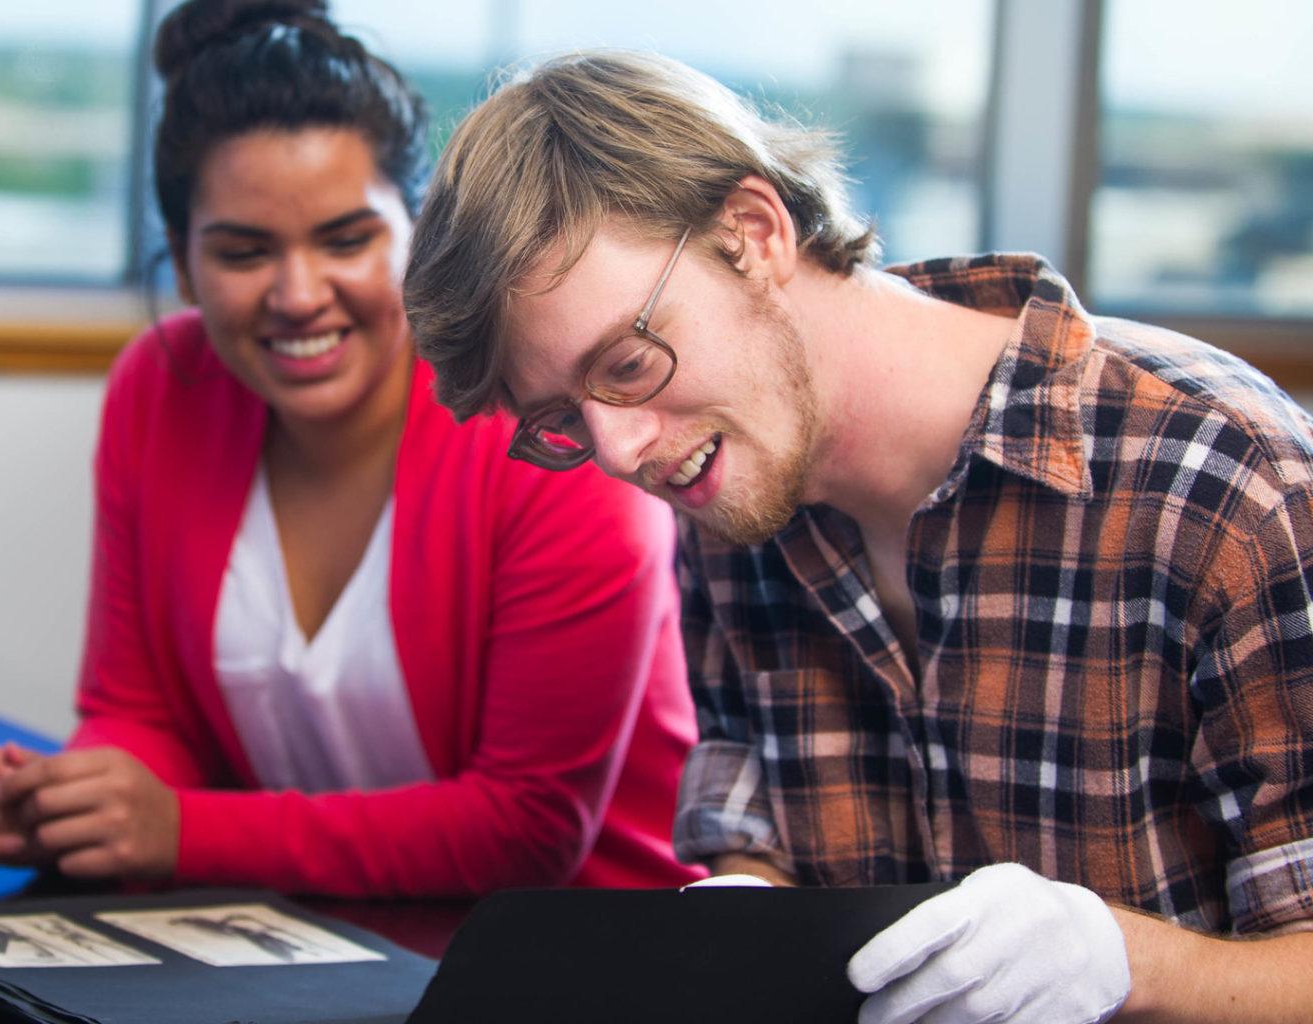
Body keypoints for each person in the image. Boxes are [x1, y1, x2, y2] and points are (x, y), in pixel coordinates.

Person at [403, 50, 1313, 1024]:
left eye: (626, 361)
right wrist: (740, 918)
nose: (620, 451)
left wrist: (1126, 965)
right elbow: (765, 845)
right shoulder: (724, 476)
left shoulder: (1223, 481)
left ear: (753, 232)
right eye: (563, 423)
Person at [0, 0, 700, 899]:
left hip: (561, 959)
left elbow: (529, 828)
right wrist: (80, 799)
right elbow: (139, 714)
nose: (298, 294)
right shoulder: (159, 388)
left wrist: (178, 831)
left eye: (347, 240)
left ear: (418, 237)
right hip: (289, 939)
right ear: (180, 260)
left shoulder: (549, 434)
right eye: (244, 252)